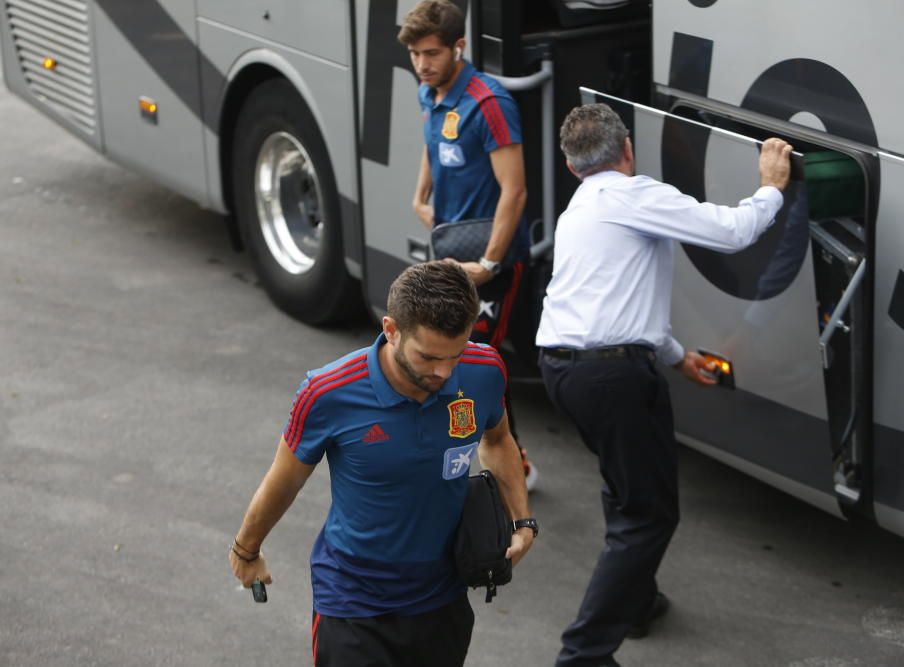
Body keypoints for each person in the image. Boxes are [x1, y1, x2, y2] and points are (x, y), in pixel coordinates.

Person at [536, 103, 792, 667]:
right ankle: (583, 655)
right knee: (648, 515)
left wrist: (678, 360)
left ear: (571, 164)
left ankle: (636, 601)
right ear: (626, 150)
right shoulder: (634, 193)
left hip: (564, 368)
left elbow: (620, 303)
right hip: (610, 375)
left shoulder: (581, 207)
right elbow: (733, 231)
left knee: (625, 489)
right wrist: (772, 186)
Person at [229, 260, 536, 667]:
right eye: (428, 357)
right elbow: (284, 481)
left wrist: (523, 520)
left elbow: (498, 440)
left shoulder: (484, 370)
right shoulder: (328, 393)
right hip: (353, 604)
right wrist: (246, 549)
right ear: (391, 330)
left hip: (443, 597)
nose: (444, 372)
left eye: (455, 355)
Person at [398, 0, 538, 490]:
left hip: (491, 262)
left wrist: (489, 263)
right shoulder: (428, 90)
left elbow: (515, 190)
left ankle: (512, 462)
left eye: (431, 53)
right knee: (467, 353)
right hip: (452, 252)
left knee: (474, 358)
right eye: (415, 54)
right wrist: (421, 195)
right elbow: (432, 143)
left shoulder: (490, 103)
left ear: (459, 46)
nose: (422, 64)